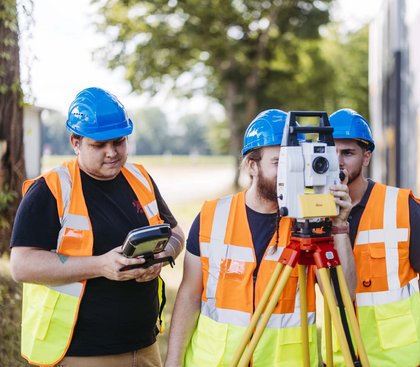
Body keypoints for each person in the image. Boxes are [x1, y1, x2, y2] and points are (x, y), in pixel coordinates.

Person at [164, 109, 355, 367]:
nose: (288, 172)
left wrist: (340, 226)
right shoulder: (212, 216)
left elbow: (343, 294)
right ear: (252, 165)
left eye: (294, 162)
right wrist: (173, 362)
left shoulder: (308, 220)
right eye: (279, 163)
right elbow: (189, 295)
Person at [10, 87, 185, 367]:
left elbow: (175, 232)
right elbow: (22, 265)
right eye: (99, 145)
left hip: (144, 344)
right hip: (81, 352)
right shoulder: (51, 189)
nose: (111, 153)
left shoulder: (140, 177)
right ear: (75, 142)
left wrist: (164, 258)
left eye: (119, 142)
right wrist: (101, 265)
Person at [323, 108, 420, 366]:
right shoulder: (315, 214)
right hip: (338, 354)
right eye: (331, 152)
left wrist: (402, 324)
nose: (338, 162)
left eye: (348, 153)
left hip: (390, 358)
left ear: (366, 156)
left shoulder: (403, 205)